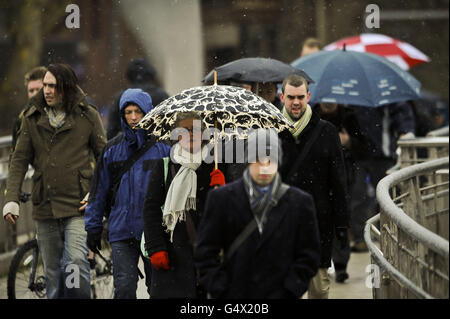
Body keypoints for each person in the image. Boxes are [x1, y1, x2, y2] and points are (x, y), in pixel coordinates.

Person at [3, 63, 107, 299]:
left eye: (53, 86)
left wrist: (96, 193)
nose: (47, 91)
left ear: (67, 88)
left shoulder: (87, 115)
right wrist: (11, 199)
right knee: (53, 273)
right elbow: (19, 160)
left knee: (76, 262)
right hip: (45, 205)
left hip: (78, 205)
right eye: (46, 86)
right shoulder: (32, 117)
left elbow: (104, 158)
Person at [194, 129, 321, 299]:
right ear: (248, 160)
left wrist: (290, 289)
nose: (264, 167)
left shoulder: (300, 202)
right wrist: (221, 288)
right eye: (258, 160)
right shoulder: (221, 199)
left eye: (270, 161)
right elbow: (206, 251)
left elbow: (309, 254)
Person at [85, 88, 171, 298]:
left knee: (159, 289)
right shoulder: (111, 150)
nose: (133, 117)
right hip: (121, 231)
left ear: (147, 113)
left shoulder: (163, 149)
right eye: (128, 112)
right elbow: (98, 191)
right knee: (123, 288)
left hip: (154, 231)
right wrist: (93, 228)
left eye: (138, 111)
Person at [278, 74, 350, 299]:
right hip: (282, 221)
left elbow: (338, 179)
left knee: (318, 288)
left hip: (318, 219)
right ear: (282, 97)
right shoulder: (271, 130)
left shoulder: (326, 131)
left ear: (309, 96)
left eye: (300, 97)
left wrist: (342, 223)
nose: (296, 102)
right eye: (291, 97)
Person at [142, 111, 227, 298]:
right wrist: (156, 248)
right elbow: (150, 210)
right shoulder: (164, 166)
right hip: (172, 256)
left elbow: (225, 213)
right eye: (185, 130)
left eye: (195, 130)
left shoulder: (215, 166)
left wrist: (222, 189)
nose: (190, 134)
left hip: (206, 256)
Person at [313, 102, 369, 283]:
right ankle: (319, 263)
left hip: (345, 176)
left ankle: (340, 265)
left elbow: (364, 147)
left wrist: (348, 142)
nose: (328, 104)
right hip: (318, 176)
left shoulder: (349, 117)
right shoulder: (312, 116)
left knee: (341, 219)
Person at [349, 101, 416, 252]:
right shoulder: (353, 93)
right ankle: (362, 238)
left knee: (386, 198)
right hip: (358, 153)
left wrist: (405, 131)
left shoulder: (379, 92)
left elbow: (400, 111)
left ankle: (391, 236)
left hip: (382, 154)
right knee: (359, 196)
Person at [107, 58, 169, 140]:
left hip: (129, 146)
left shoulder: (122, 97)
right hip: (157, 145)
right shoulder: (162, 95)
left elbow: (111, 130)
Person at [10, 66, 47, 157]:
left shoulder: (61, 110)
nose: (34, 94)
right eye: (31, 90)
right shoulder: (22, 118)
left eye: (38, 89)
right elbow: (16, 154)